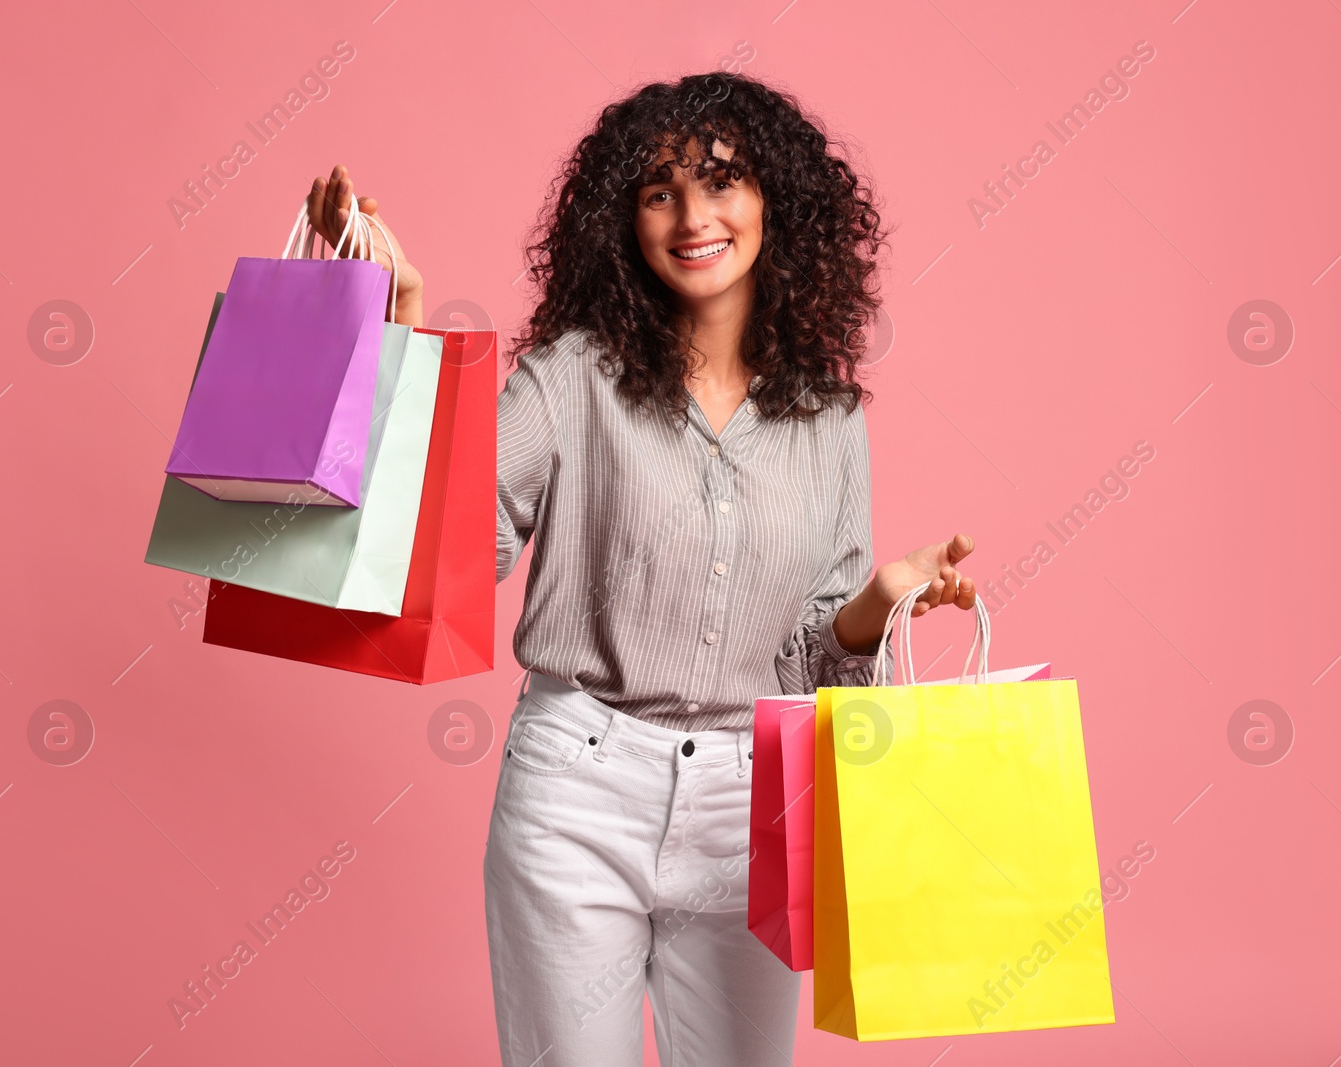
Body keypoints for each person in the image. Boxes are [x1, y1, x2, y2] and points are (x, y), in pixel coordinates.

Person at [305, 71, 978, 1067]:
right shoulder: (570, 375)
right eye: (660, 190)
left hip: (753, 808)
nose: (693, 215)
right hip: (576, 788)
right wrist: (393, 324)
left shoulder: (830, 420)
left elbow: (815, 668)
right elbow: (444, 549)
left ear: (774, 204)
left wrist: (874, 605)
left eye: (722, 182)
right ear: (623, 219)